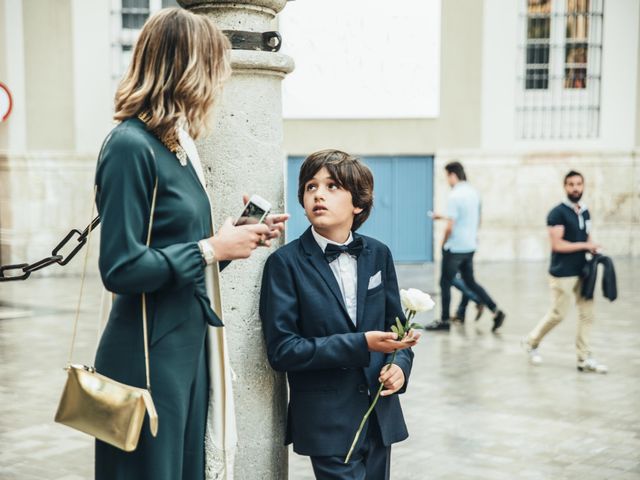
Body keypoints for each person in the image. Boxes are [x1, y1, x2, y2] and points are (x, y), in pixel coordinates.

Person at [93, 9, 288, 480]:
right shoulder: (129, 146)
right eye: (213, 68)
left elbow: (182, 256)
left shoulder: (174, 147)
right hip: (147, 355)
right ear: (186, 69)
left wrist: (235, 240)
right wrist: (211, 249)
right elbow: (119, 267)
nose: (219, 83)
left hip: (186, 346)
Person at [260, 150, 419, 480]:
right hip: (325, 421)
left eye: (332, 186)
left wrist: (399, 367)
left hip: (378, 415)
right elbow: (283, 350)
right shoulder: (284, 264)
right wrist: (361, 344)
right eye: (310, 186)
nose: (318, 193)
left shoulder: (379, 254)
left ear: (357, 203)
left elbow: (396, 330)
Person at [522, 170, 607, 373]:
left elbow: (586, 236)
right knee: (558, 314)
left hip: (583, 271)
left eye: (579, 184)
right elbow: (558, 245)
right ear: (565, 187)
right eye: (571, 184)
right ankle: (530, 341)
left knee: (587, 314)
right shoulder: (557, 213)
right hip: (562, 273)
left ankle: (583, 358)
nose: (575, 188)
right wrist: (585, 246)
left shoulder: (585, 211)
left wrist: (592, 247)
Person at [425, 161, 505, 332]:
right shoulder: (473, 193)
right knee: (470, 281)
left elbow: (450, 226)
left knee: (445, 282)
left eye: (447, 176)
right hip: (469, 245)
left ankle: (444, 321)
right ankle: (495, 310)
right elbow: (473, 218)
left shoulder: (455, 195)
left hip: (455, 247)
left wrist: (443, 243)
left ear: (453, 175)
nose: (447, 180)